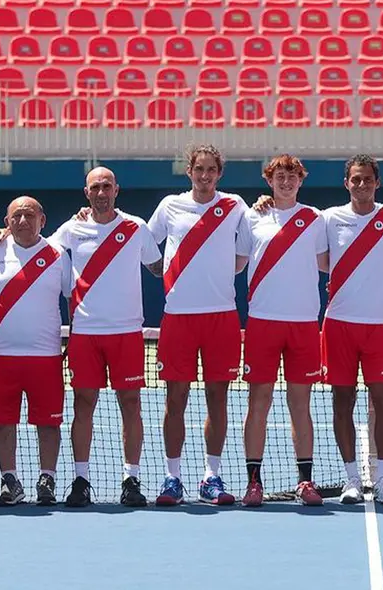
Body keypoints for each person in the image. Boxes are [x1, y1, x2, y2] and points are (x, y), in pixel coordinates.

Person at [51, 167, 162, 508]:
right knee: (83, 406)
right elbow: (39, 250)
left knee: (131, 405)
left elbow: (157, 267)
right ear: (87, 193)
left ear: (117, 190)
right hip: (85, 333)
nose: (101, 193)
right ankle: (81, 479)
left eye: (107, 187)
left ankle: (131, 478)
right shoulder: (71, 229)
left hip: (126, 332)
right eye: (95, 187)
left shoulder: (136, 227)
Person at [149, 144, 248, 506]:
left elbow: (242, 257)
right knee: (175, 399)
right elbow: (145, 246)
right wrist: (168, 277)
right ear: (188, 171)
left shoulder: (236, 206)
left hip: (221, 316)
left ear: (219, 174)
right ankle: (172, 477)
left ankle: (211, 475)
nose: (204, 176)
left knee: (217, 399)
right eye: (199, 169)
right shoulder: (169, 207)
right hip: (178, 317)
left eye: (211, 170)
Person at [236, 155, 328, 507]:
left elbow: (326, 264)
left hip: (304, 323)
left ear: (301, 180)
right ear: (268, 180)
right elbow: (238, 262)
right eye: (279, 176)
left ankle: (305, 481)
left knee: (300, 405)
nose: (286, 181)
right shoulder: (252, 216)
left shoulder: (315, 220)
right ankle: (254, 482)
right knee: (258, 401)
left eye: (292, 176)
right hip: (262, 322)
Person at [323, 154, 383, 505]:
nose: (361, 185)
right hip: (339, 326)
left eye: (367, 179)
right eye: (355, 179)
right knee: (341, 403)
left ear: (377, 183)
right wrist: (264, 203)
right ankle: (351, 481)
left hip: (379, 328)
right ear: (347, 183)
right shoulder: (327, 219)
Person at [0, 196, 72, 506]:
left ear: (42, 220)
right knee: (2, 422)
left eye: (29, 215)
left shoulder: (58, 255)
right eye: (16, 216)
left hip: (45, 357)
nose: (23, 221)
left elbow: (72, 299)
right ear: (7, 222)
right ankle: (10, 480)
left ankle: (47, 478)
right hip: (0, 356)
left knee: (48, 423)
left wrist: (74, 341)